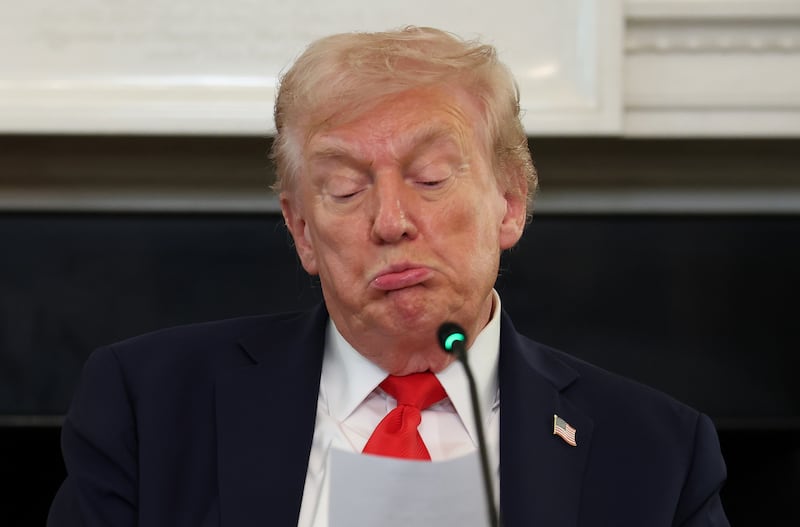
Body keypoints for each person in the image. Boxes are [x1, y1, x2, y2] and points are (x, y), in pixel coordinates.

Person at [48, 26, 729, 526]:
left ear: (510, 203)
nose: (391, 220)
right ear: (302, 230)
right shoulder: (148, 407)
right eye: (344, 188)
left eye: (431, 177)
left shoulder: (656, 453)